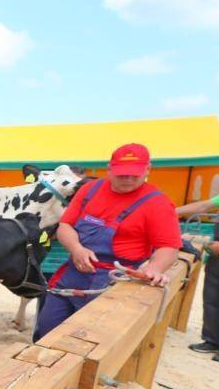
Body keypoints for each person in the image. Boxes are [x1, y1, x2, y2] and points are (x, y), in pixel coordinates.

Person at [33, 143, 182, 341]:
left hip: (116, 281)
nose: (128, 179)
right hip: (74, 273)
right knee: (47, 327)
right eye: (122, 174)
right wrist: (76, 249)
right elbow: (65, 226)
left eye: (135, 174)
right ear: (109, 169)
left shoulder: (157, 203)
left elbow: (169, 247)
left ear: (148, 169)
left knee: (89, 340)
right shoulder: (90, 190)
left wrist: (155, 268)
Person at [176, 187, 219, 362]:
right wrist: (172, 211)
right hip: (218, 256)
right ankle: (212, 340)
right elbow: (205, 205)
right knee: (213, 297)